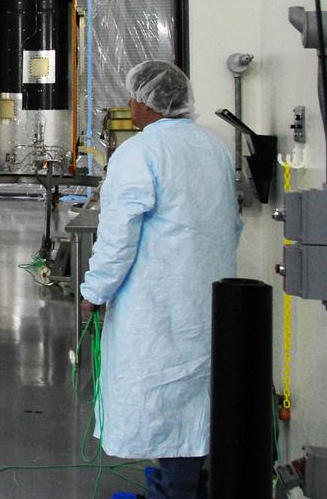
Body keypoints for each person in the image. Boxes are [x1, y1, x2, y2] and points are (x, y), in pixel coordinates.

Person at [79, 60, 240, 499]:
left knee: (162, 396)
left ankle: (177, 490)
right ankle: (187, 482)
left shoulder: (140, 153)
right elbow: (233, 224)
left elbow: (117, 239)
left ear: (147, 102)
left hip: (157, 304)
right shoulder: (213, 150)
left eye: (133, 96)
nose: (129, 104)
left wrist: (93, 292)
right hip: (208, 300)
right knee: (194, 398)